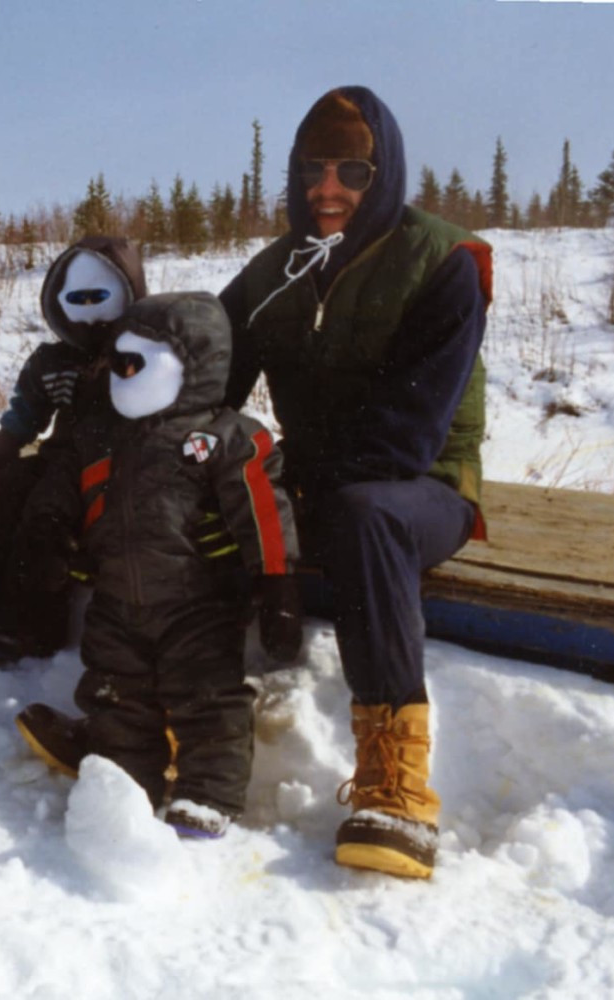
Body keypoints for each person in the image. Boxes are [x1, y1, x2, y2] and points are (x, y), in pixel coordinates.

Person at [219, 86, 491, 878]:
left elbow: (411, 432)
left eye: (352, 170)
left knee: (365, 514)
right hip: (317, 483)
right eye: (312, 168)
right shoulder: (275, 269)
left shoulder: (445, 262)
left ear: (386, 173)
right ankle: (163, 719)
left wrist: (294, 485)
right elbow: (211, 372)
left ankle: (395, 787)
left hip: (421, 488)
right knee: (198, 478)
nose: (327, 187)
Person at [14, 291, 302, 838]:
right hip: (115, 601)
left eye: (133, 363)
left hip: (200, 602)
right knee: (115, 692)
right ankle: (129, 782)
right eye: (115, 363)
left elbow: (263, 511)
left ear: (191, 363)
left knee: (208, 696)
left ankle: (208, 794)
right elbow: (63, 490)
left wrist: (277, 583)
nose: (120, 375)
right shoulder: (101, 436)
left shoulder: (222, 438)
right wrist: (51, 540)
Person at [0, 236, 147, 666]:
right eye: (79, 298)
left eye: (100, 296)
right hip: (60, 457)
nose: (91, 309)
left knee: (48, 516)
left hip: (118, 465)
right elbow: (23, 417)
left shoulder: (141, 357)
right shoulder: (54, 362)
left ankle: (30, 626)